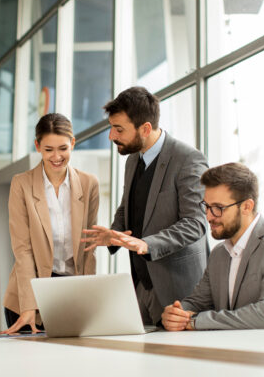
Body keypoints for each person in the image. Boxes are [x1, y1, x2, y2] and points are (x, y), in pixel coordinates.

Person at [82, 86, 208, 326]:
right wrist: (114, 233)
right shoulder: (132, 160)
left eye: (119, 129)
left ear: (146, 128)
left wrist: (147, 244)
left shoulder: (188, 159)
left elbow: (196, 223)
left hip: (179, 290)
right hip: (141, 284)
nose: (111, 136)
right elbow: (127, 205)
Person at [161, 162, 264, 330]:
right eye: (206, 206)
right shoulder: (219, 253)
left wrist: (195, 321)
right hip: (238, 350)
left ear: (247, 207)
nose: (209, 217)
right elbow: (197, 302)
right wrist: (177, 313)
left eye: (218, 208)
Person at [2, 113, 99, 333]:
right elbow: (23, 250)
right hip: (29, 294)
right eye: (49, 150)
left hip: (71, 293)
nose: (57, 156)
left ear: (73, 143)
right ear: (37, 146)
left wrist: (89, 300)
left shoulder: (89, 183)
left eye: (63, 148)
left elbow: (89, 248)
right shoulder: (22, 185)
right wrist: (29, 306)